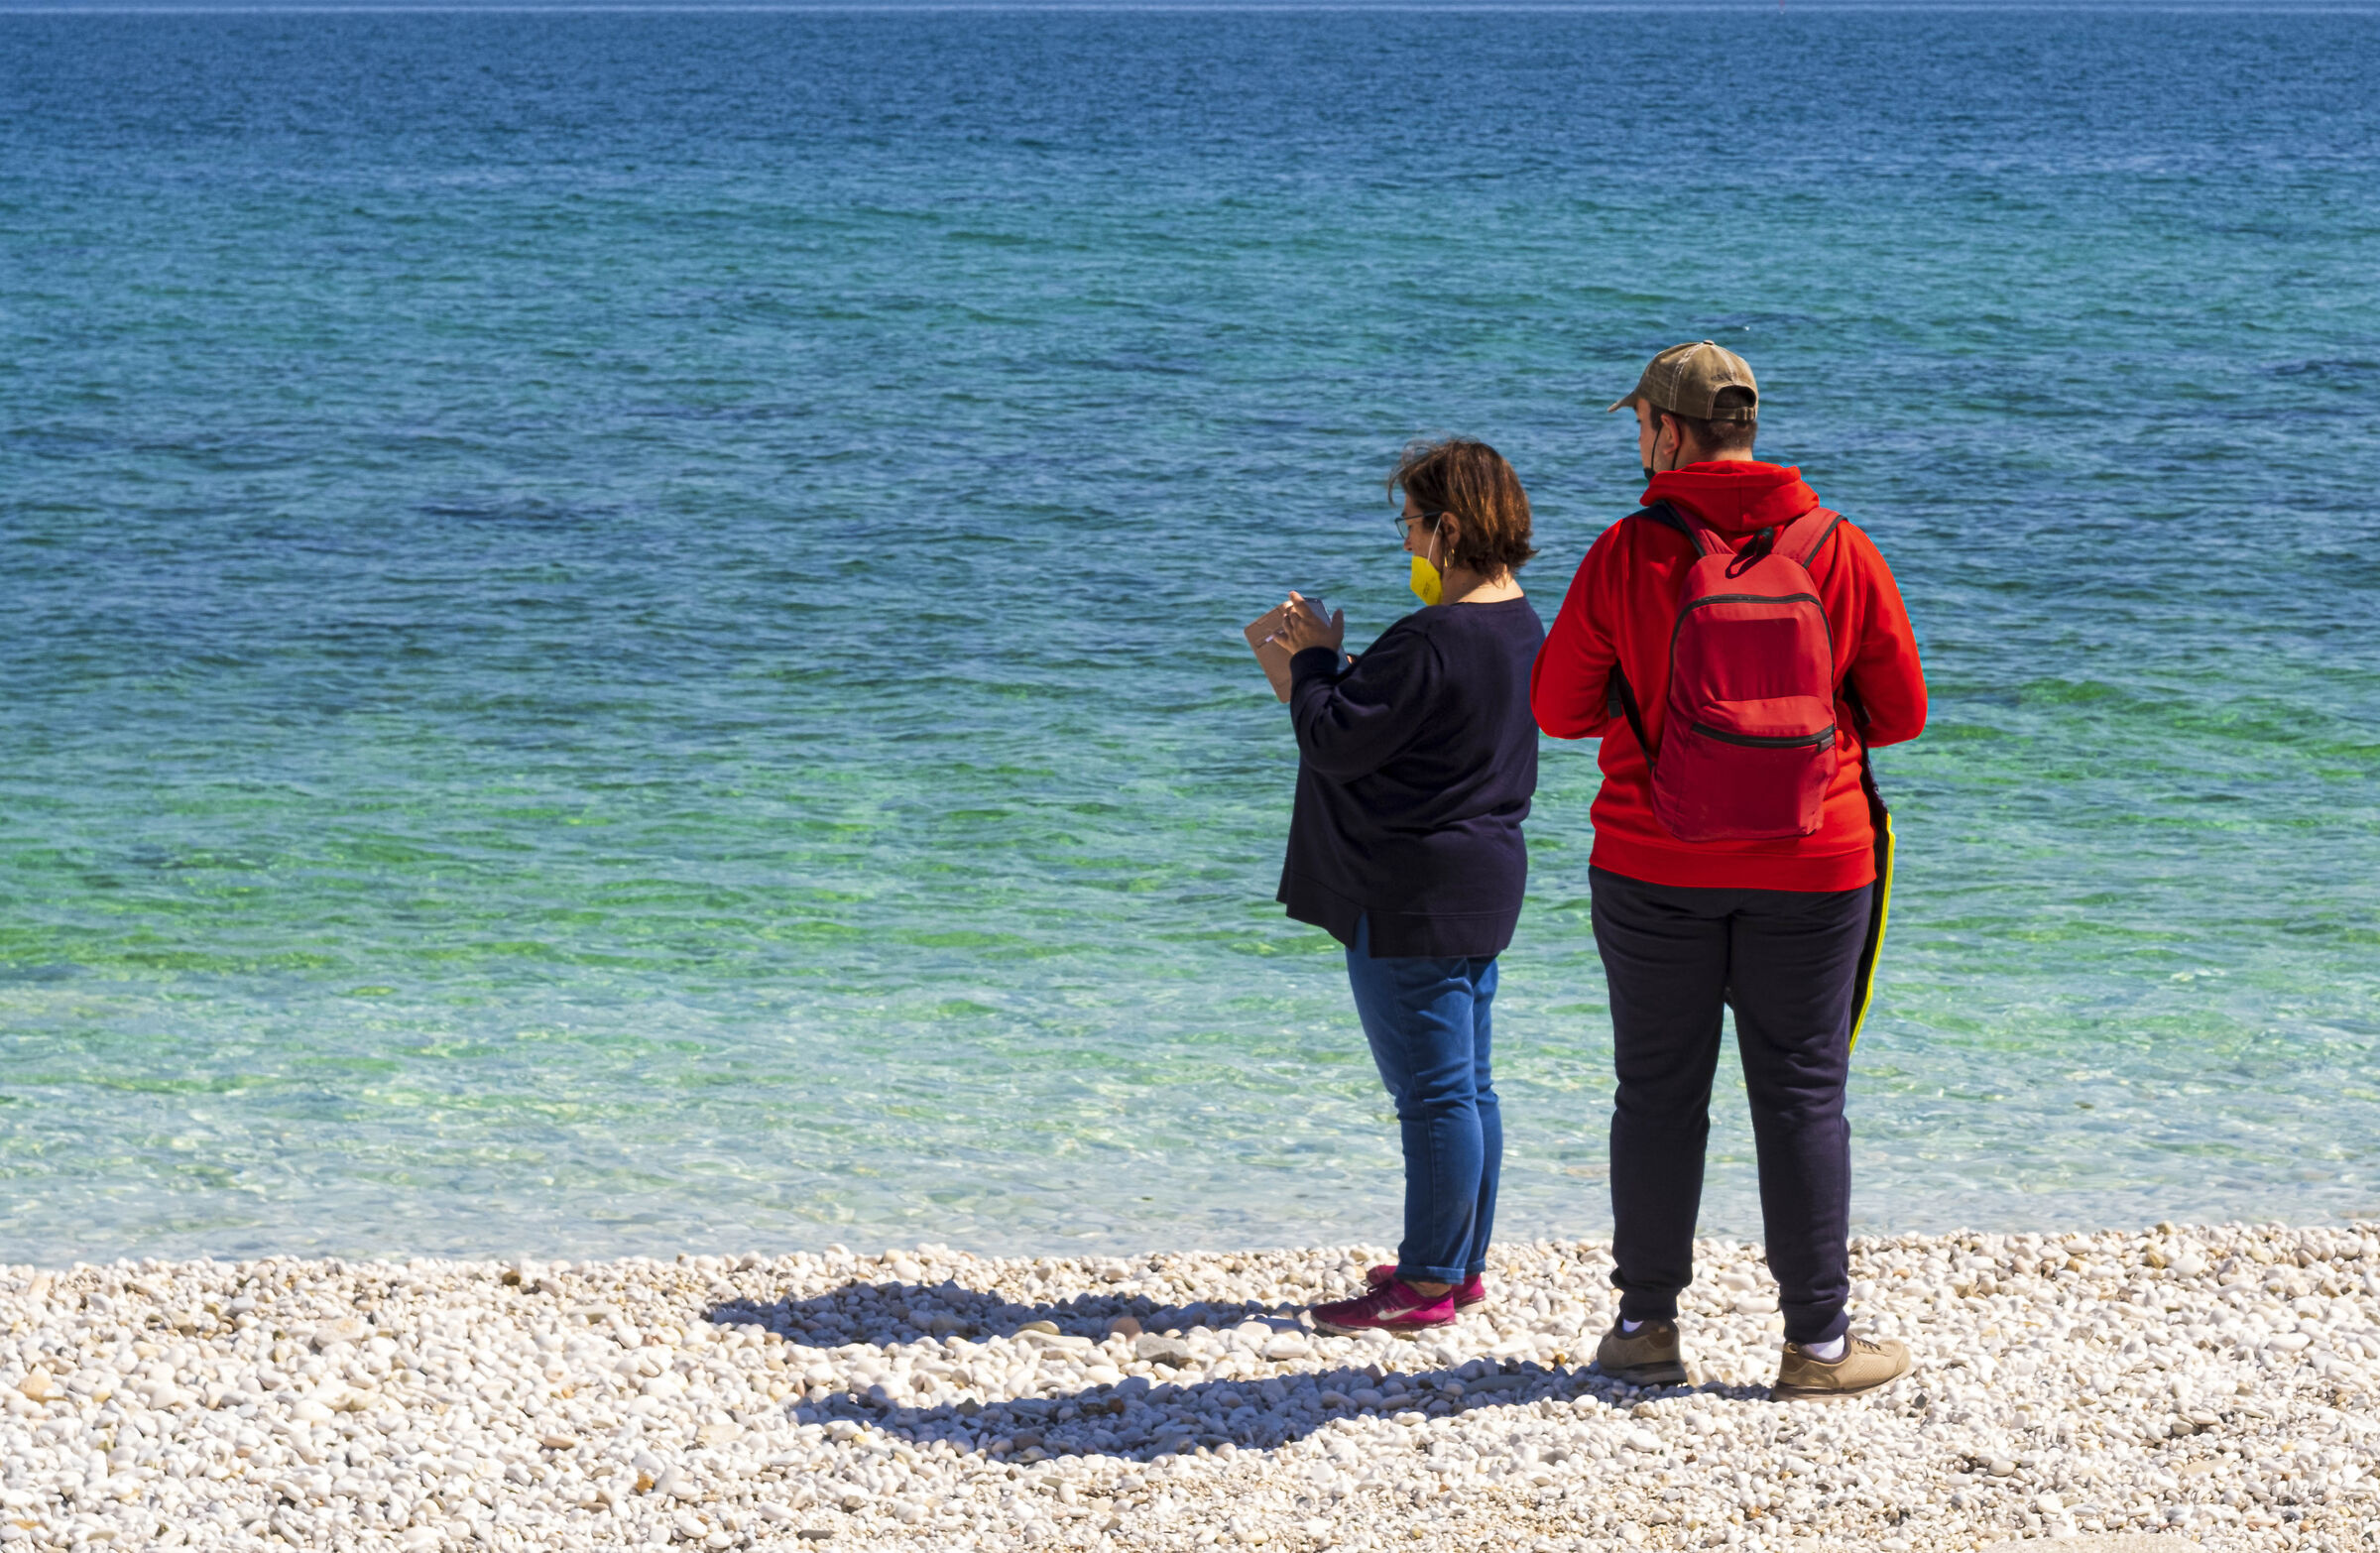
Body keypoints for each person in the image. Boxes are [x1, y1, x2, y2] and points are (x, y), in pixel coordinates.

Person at [1531, 342, 1928, 1399]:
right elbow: (1902, 714)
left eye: (1640, 428)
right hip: (1817, 858)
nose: (1638, 444)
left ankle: (1647, 1327)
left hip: (1653, 860)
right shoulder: (1840, 547)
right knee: (1802, 1093)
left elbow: (1558, 709)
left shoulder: (1625, 551)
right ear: (1747, 427)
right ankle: (1818, 1346)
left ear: (1666, 432)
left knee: (1658, 1093)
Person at [1268, 437, 1545, 1337]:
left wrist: (1313, 658)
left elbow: (1334, 739)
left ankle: (1427, 1279)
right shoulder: (1521, 622)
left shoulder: (1430, 637)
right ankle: (1456, 1265)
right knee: (1470, 1088)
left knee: (1433, 1096)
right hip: (1483, 877)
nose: (1406, 546)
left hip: (1412, 891)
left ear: (1450, 528)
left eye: (1413, 526)